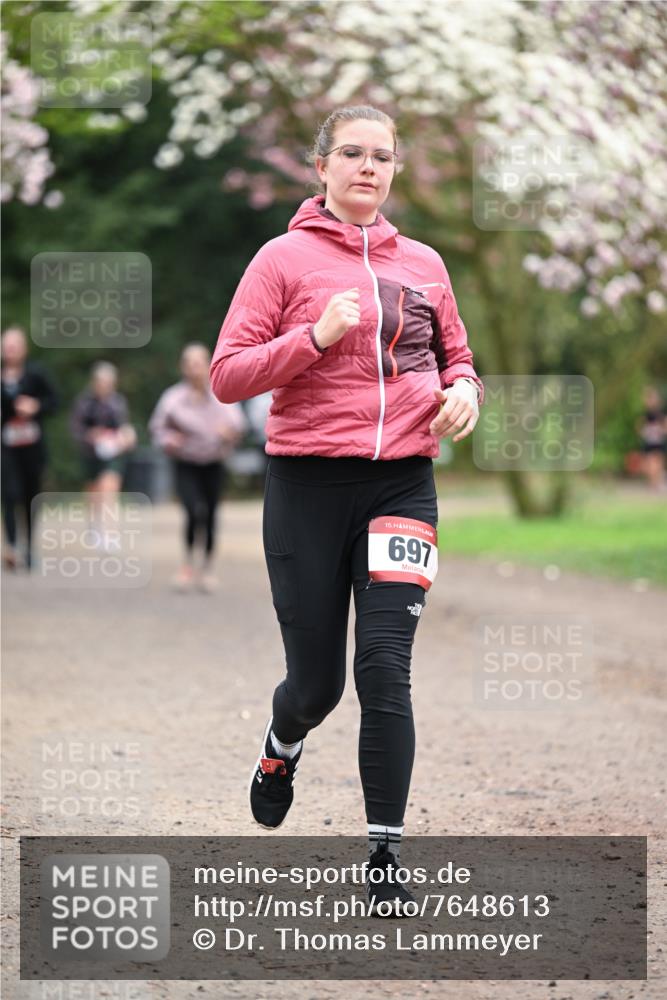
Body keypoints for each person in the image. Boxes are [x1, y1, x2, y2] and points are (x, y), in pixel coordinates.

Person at [210, 105, 484, 915]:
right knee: (318, 684)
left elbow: (455, 353)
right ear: (321, 166)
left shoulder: (426, 263)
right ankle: (280, 744)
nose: (369, 167)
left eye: (383, 157)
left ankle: (384, 855)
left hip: (402, 482)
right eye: (353, 154)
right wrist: (317, 338)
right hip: (306, 487)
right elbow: (229, 375)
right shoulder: (280, 260)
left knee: (384, 669)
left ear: (394, 170)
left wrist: (465, 387)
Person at [149, 342, 246, 592]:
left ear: (208, 365)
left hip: (214, 462)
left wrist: (229, 433)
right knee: (192, 511)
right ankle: (188, 564)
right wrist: (171, 440)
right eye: (190, 364)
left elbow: (238, 425)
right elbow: (157, 429)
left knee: (212, 514)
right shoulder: (172, 398)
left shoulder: (221, 394)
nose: (195, 369)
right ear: (183, 368)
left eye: (199, 363)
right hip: (186, 462)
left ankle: (207, 568)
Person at [1, 326, 59, 570]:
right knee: (9, 494)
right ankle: (12, 546)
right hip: (6, 447)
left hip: (32, 448)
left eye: (15, 345)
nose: (10, 350)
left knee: (30, 496)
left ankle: (29, 547)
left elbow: (54, 402)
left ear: (24, 349)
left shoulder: (36, 375)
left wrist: (35, 406)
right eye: (6, 345)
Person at [69, 362, 137, 548]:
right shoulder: (84, 403)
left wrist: (126, 437)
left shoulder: (118, 402)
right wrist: (90, 436)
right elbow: (76, 429)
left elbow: (124, 427)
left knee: (110, 489)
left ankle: (110, 533)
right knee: (93, 493)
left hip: (112, 454)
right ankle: (94, 527)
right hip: (90, 454)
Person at [636, 385, 666, 491]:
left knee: (657, 463)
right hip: (649, 442)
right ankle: (654, 484)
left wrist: (660, 431)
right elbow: (639, 428)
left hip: (658, 442)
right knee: (650, 464)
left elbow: (665, 428)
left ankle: (657, 483)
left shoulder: (660, 414)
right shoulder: (645, 414)